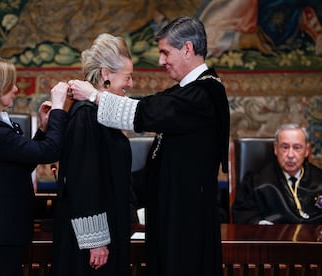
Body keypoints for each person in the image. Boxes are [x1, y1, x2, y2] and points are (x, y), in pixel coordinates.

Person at [70, 16, 230, 276]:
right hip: (172, 215)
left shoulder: (204, 93)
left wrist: (93, 95)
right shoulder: (188, 91)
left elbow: (147, 112)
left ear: (187, 49)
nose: (161, 61)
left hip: (186, 221)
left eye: (166, 52)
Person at [0, 56, 68, 276]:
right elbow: (50, 151)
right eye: (10, 84)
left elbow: (21, 165)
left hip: (2, 232)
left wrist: (43, 130)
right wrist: (57, 110)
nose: (17, 89)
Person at [51, 33, 133, 276]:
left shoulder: (99, 112)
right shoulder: (86, 115)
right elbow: (83, 181)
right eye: (127, 77)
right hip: (90, 242)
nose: (130, 84)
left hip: (107, 228)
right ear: (106, 74)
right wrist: (96, 241)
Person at [232, 124, 322, 224]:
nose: (290, 155)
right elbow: (243, 215)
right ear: (275, 148)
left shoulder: (319, 180)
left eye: (297, 147)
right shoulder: (255, 181)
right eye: (285, 147)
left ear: (307, 150)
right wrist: (260, 224)